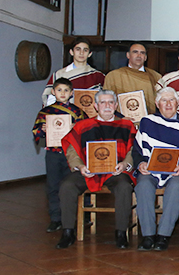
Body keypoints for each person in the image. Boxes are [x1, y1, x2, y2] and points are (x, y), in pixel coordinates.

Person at [55, 90, 137, 249]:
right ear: (95, 106)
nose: (107, 106)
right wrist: (80, 166)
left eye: (110, 102)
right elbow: (71, 149)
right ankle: (67, 232)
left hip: (116, 171)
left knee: (124, 187)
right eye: (103, 102)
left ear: (115, 105)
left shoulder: (127, 125)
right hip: (88, 170)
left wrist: (125, 165)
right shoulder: (82, 125)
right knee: (67, 185)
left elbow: (133, 150)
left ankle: (121, 232)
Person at [132, 87, 179, 251]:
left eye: (171, 100)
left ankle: (163, 235)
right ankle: (148, 235)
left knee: (175, 187)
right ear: (157, 104)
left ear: (177, 103)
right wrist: (141, 164)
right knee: (143, 185)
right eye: (164, 100)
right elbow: (137, 149)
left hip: (178, 170)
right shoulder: (147, 122)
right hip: (151, 170)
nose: (168, 104)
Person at [32, 78, 87, 233]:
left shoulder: (78, 112)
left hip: (72, 155)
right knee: (53, 185)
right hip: (54, 154)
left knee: (73, 184)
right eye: (59, 90)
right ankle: (55, 218)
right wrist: (42, 130)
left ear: (71, 93)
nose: (62, 93)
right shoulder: (45, 112)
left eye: (66, 90)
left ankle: (76, 217)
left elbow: (87, 132)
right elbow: (36, 132)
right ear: (53, 92)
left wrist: (76, 128)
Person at [42, 37, 105, 106]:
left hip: (90, 115)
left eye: (85, 50)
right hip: (65, 114)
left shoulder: (98, 76)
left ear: (90, 54)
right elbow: (50, 100)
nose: (81, 53)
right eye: (78, 49)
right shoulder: (59, 74)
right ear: (71, 52)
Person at [103, 43, 162, 114]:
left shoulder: (155, 76)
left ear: (145, 57)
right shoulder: (113, 76)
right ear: (128, 55)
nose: (139, 56)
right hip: (122, 120)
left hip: (149, 120)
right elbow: (106, 101)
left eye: (142, 53)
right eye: (135, 52)